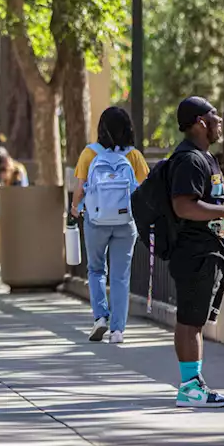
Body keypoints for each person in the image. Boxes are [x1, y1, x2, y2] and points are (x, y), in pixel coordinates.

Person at [169, 97, 224, 409]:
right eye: (214, 114)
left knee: (194, 320)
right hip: (195, 252)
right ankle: (189, 387)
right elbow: (183, 205)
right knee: (190, 321)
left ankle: (193, 384)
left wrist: (222, 197)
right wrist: (222, 209)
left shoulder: (204, 158)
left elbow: (201, 197)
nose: (219, 120)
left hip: (207, 251)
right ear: (200, 121)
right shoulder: (189, 159)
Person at [69, 107, 149, 344]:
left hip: (96, 220)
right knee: (121, 276)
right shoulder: (134, 156)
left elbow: (79, 188)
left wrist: (75, 209)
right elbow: (144, 189)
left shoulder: (89, 153)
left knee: (95, 269)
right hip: (126, 222)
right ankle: (118, 330)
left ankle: (100, 318)